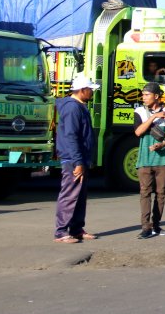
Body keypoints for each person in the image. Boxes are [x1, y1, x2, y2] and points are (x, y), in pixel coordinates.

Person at [54, 75, 100, 244]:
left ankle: (76, 229)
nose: (92, 93)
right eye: (90, 90)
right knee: (70, 195)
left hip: (80, 158)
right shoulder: (73, 108)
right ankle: (61, 232)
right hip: (73, 159)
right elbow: (71, 136)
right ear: (82, 90)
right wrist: (78, 162)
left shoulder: (79, 106)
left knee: (79, 196)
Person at [135, 82, 165, 239]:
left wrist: (163, 144)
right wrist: (153, 117)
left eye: (147, 95)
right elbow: (138, 132)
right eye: (143, 94)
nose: (143, 97)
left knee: (161, 193)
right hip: (144, 160)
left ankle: (156, 225)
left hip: (162, 159)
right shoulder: (139, 111)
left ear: (156, 96)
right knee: (145, 193)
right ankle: (146, 227)